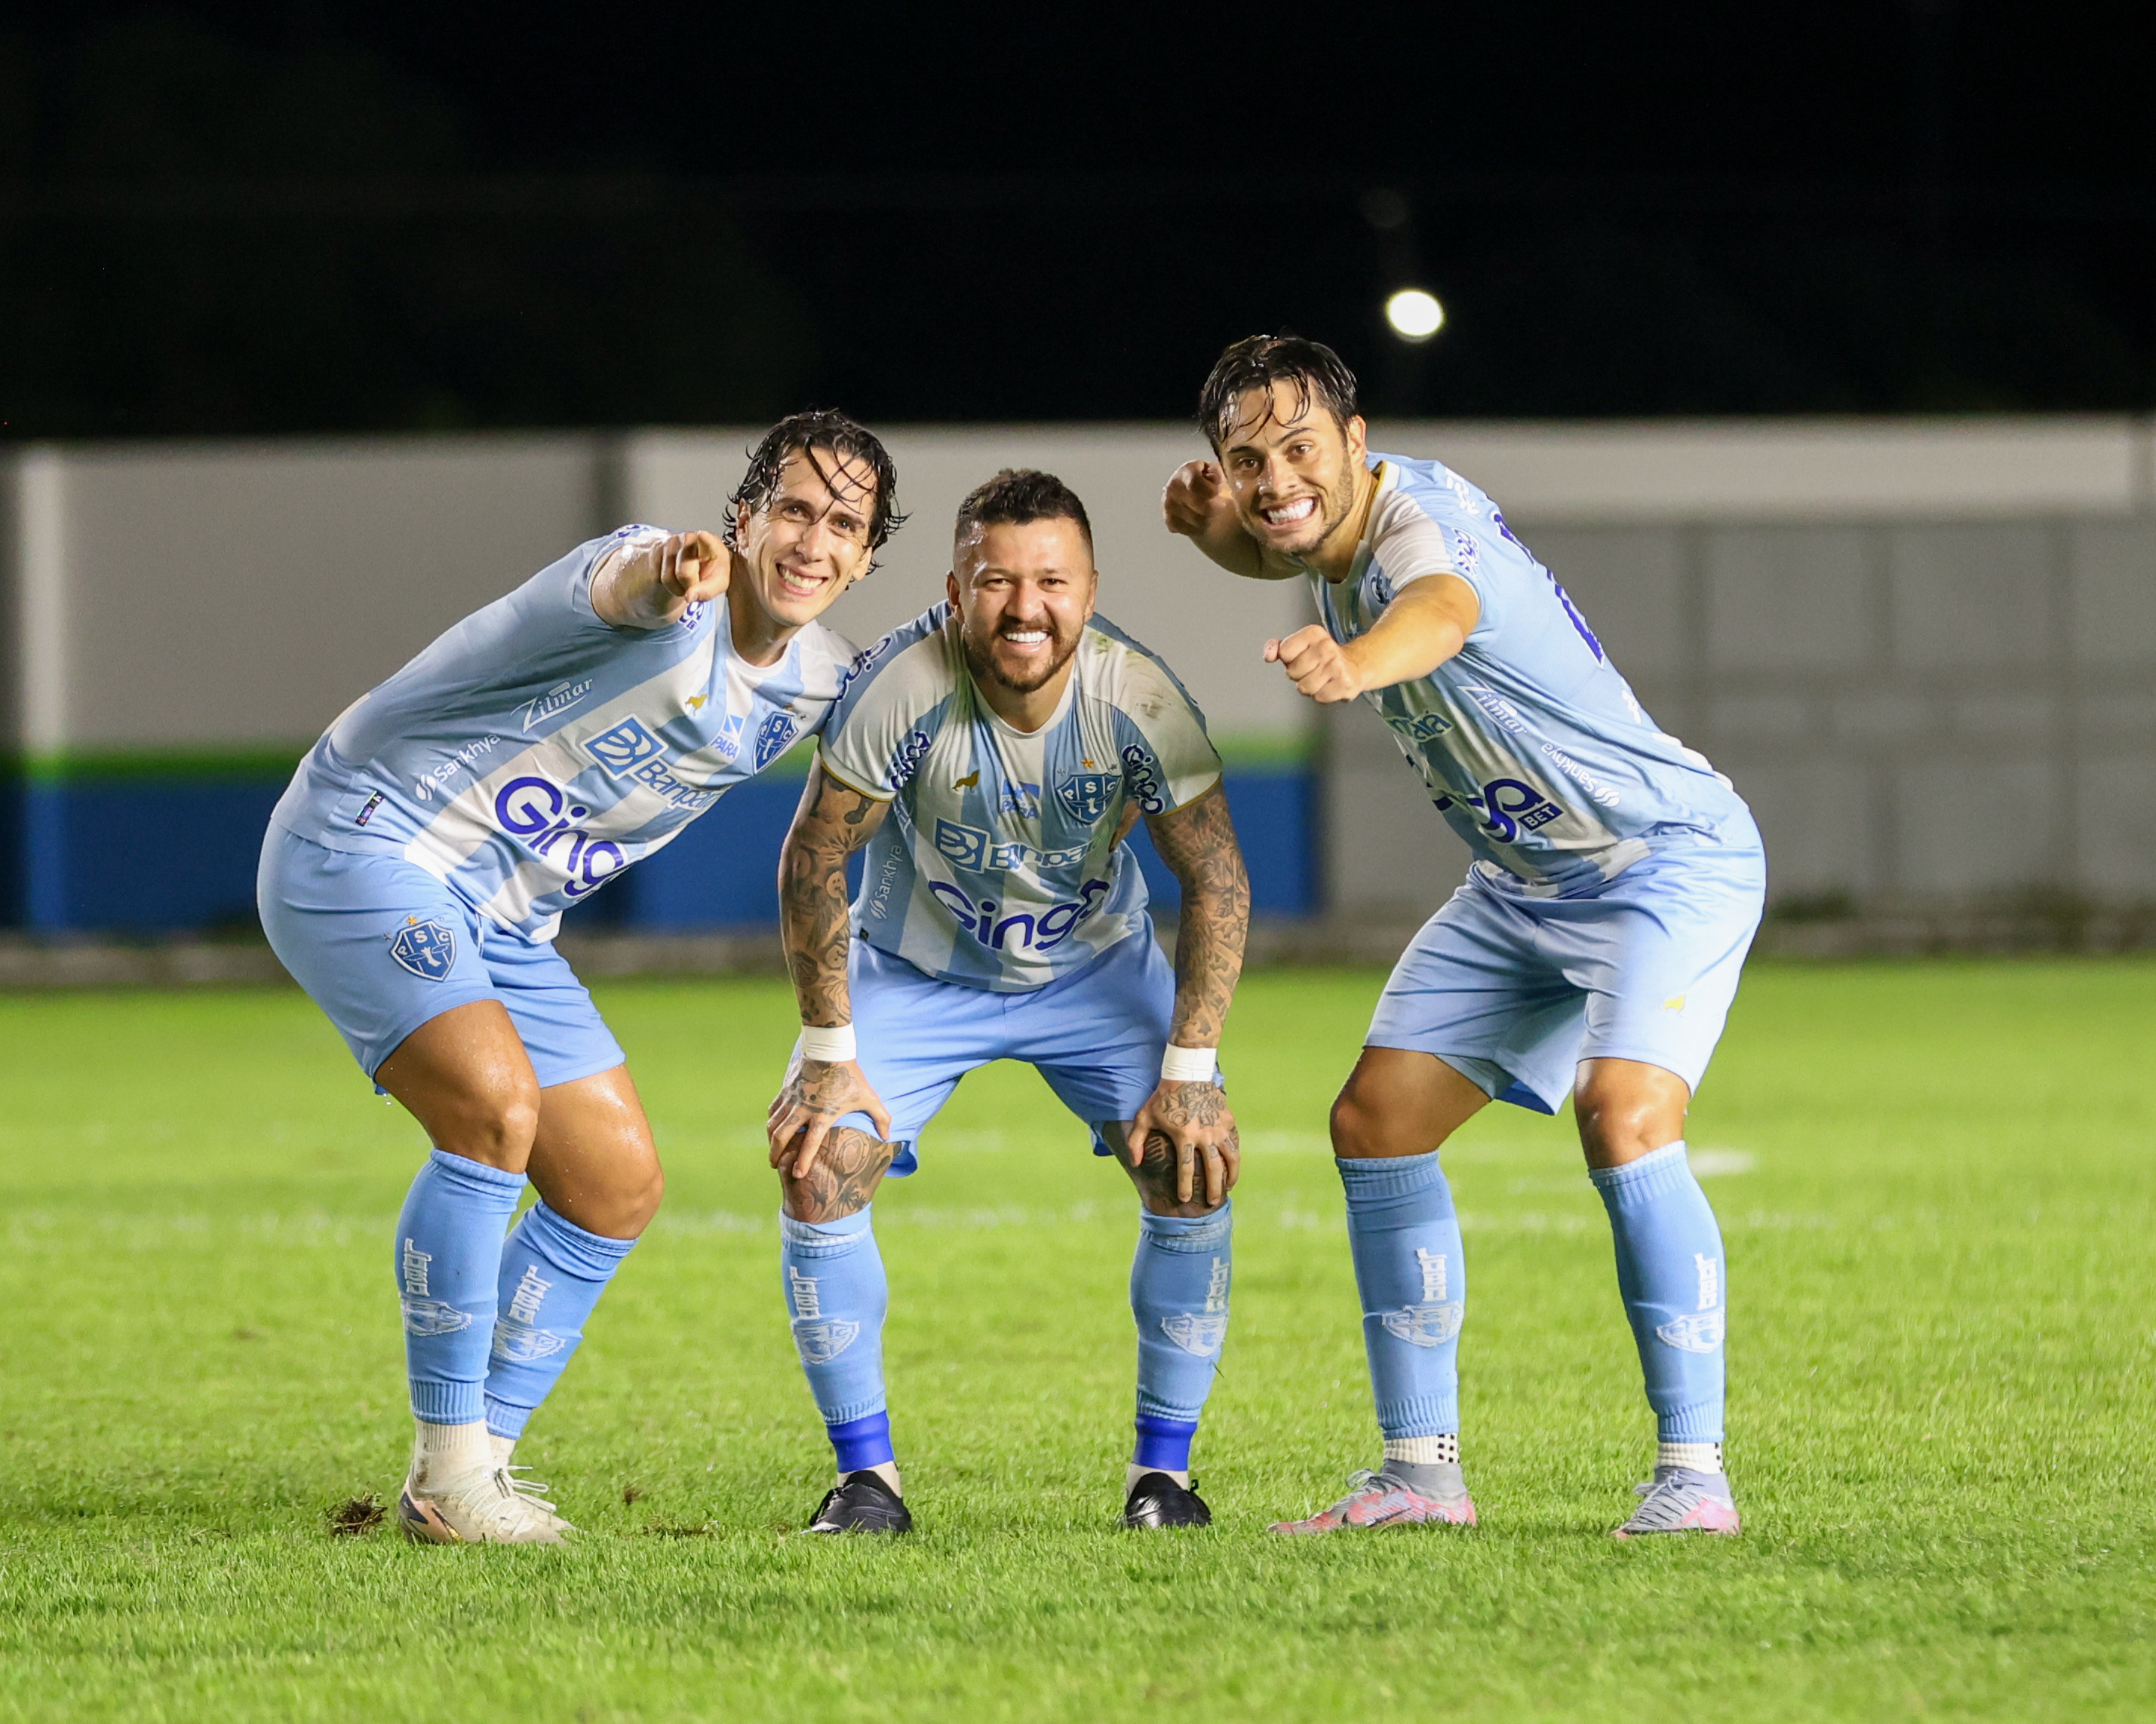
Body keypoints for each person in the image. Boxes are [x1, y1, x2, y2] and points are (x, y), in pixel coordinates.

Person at [259, 411, 901, 1544]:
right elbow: (629, 583)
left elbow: (940, 688)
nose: (812, 539)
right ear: (742, 515)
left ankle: (471, 1470)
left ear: (863, 559)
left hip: (506, 921)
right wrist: (671, 569)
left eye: (842, 525)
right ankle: (450, 1471)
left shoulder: (821, 679)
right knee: (494, 1111)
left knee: (613, 1186)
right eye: (792, 508)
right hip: (366, 840)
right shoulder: (656, 581)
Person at [1164, 336, 1761, 1538]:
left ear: (1357, 440)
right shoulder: (1320, 532)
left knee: (1623, 1113)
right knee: (1375, 1123)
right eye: (1247, 460)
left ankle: (1694, 1477)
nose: (1277, 477)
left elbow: (1442, 606)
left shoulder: (1420, 520)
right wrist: (1212, 536)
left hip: (1659, 861)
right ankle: (1419, 1474)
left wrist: (1355, 662)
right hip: (1520, 884)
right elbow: (1279, 534)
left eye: (1298, 449)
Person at [765, 468, 1251, 1534]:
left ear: (1087, 587)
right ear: (954, 589)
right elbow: (815, 853)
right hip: (915, 971)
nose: (1024, 606)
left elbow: (1215, 877)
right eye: (995, 581)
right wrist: (827, 1049)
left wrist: (1190, 1074)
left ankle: (1160, 1478)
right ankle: (864, 1481)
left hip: (1094, 970)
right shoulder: (900, 684)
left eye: (1050, 581)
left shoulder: (1141, 696)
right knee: (821, 1161)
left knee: (1190, 1159)